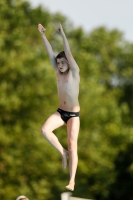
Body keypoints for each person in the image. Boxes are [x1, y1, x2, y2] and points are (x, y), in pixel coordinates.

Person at [38, 23, 80, 191]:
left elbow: (68, 52)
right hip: (60, 112)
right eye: (58, 63)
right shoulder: (57, 72)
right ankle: (62, 152)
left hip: (73, 115)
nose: (60, 65)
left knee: (73, 145)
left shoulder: (74, 72)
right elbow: (50, 52)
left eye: (63, 62)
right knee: (44, 130)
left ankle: (72, 180)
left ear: (68, 63)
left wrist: (62, 34)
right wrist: (42, 35)